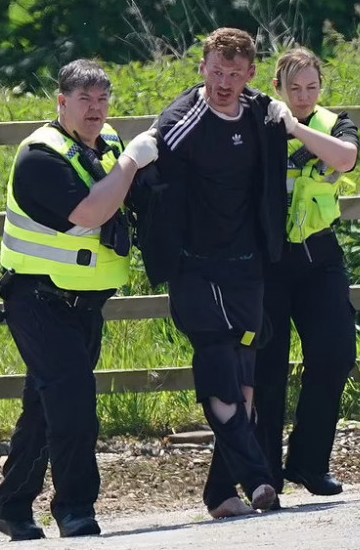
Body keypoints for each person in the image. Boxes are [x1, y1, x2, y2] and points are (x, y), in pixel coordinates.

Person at [0, 59, 158, 541]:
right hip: (38, 298)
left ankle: (12, 506)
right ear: (62, 102)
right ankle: (76, 510)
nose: (95, 109)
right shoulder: (40, 156)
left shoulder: (108, 145)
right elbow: (90, 212)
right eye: (84, 99)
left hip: (85, 303)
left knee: (46, 407)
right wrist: (131, 163)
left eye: (102, 99)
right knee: (74, 403)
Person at [134, 27, 289, 518]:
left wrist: (286, 117)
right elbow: (143, 171)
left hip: (247, 264)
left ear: (250, 74)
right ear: (202, 68)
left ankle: (220, 493)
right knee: (219, 367)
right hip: (195, 268)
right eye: (216, 72)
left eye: (234, 75)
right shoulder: (182, 121)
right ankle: (259, 478)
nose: (224, 83)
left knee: (244, 379)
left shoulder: (260, 113)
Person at [254, 47, 359, 501]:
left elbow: (346, 159)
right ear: (277, 87)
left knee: (335, 354)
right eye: (294, 88)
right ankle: (265, 475)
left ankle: (309, 464)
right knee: (267, 368)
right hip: (268, 261)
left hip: (319, 258)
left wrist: (296, 129)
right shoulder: (256, 124)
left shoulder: (335, 123)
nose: (303, 95)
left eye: (311, 87)